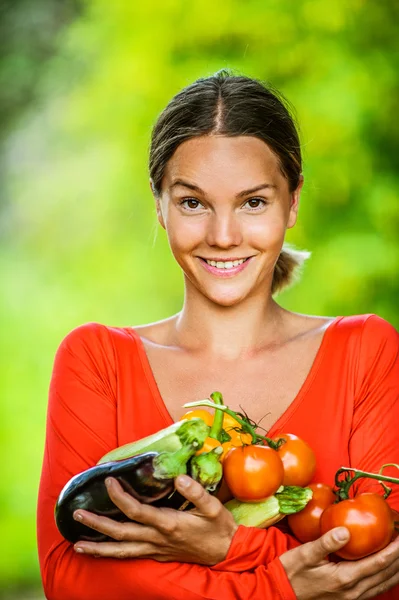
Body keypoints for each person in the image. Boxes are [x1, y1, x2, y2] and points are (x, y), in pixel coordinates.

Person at [37, 70, 399, 600]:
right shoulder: (96, 359)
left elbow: (380, 570)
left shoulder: (367, 351)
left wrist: (228, 547)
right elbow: (70, 577)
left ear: (292, 202)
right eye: (192, 202)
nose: (224, 236)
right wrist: (274, 585)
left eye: (253, 202)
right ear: (159, 204)